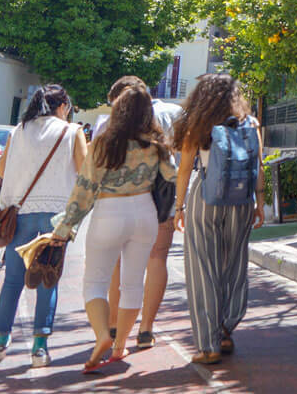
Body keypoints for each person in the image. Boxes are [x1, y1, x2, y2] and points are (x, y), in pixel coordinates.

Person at [50, 82, 177, 372]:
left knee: (95, 282)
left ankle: (102, 335)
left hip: (109, 211)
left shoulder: (103, 143)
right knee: (133, 283)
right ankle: (120, 346)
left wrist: (66, 227)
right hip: (144, 212)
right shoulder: (157, 145)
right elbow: (170, 176)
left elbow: (85, 189)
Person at [0, 84, 86, 367]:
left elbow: (2, 170)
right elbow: (85, 171)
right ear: (62, 106)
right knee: (48, 278)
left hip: (19, 213)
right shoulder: (72, 131)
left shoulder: (18, 131)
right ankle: (39, 348)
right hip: (56, 217)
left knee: (12, 280)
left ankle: (0, 341)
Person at [172, 73, 264, 365]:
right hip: (242, 201)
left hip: (205, 199)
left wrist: (179, 208)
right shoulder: (251, 124)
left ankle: (208, 345)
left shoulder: (199, 125)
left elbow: (184, 171)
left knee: (203, 269)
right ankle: (226, 328)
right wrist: (260, 204)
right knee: (234, 265)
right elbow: (259, 166)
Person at [100, 75, 184, 349]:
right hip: (161, 199)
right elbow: (182, 158)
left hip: (121, 201)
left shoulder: (109, 122)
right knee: (157, 258)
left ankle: (114, 326)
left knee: (118, 262)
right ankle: (146, 329)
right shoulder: (172, 113)